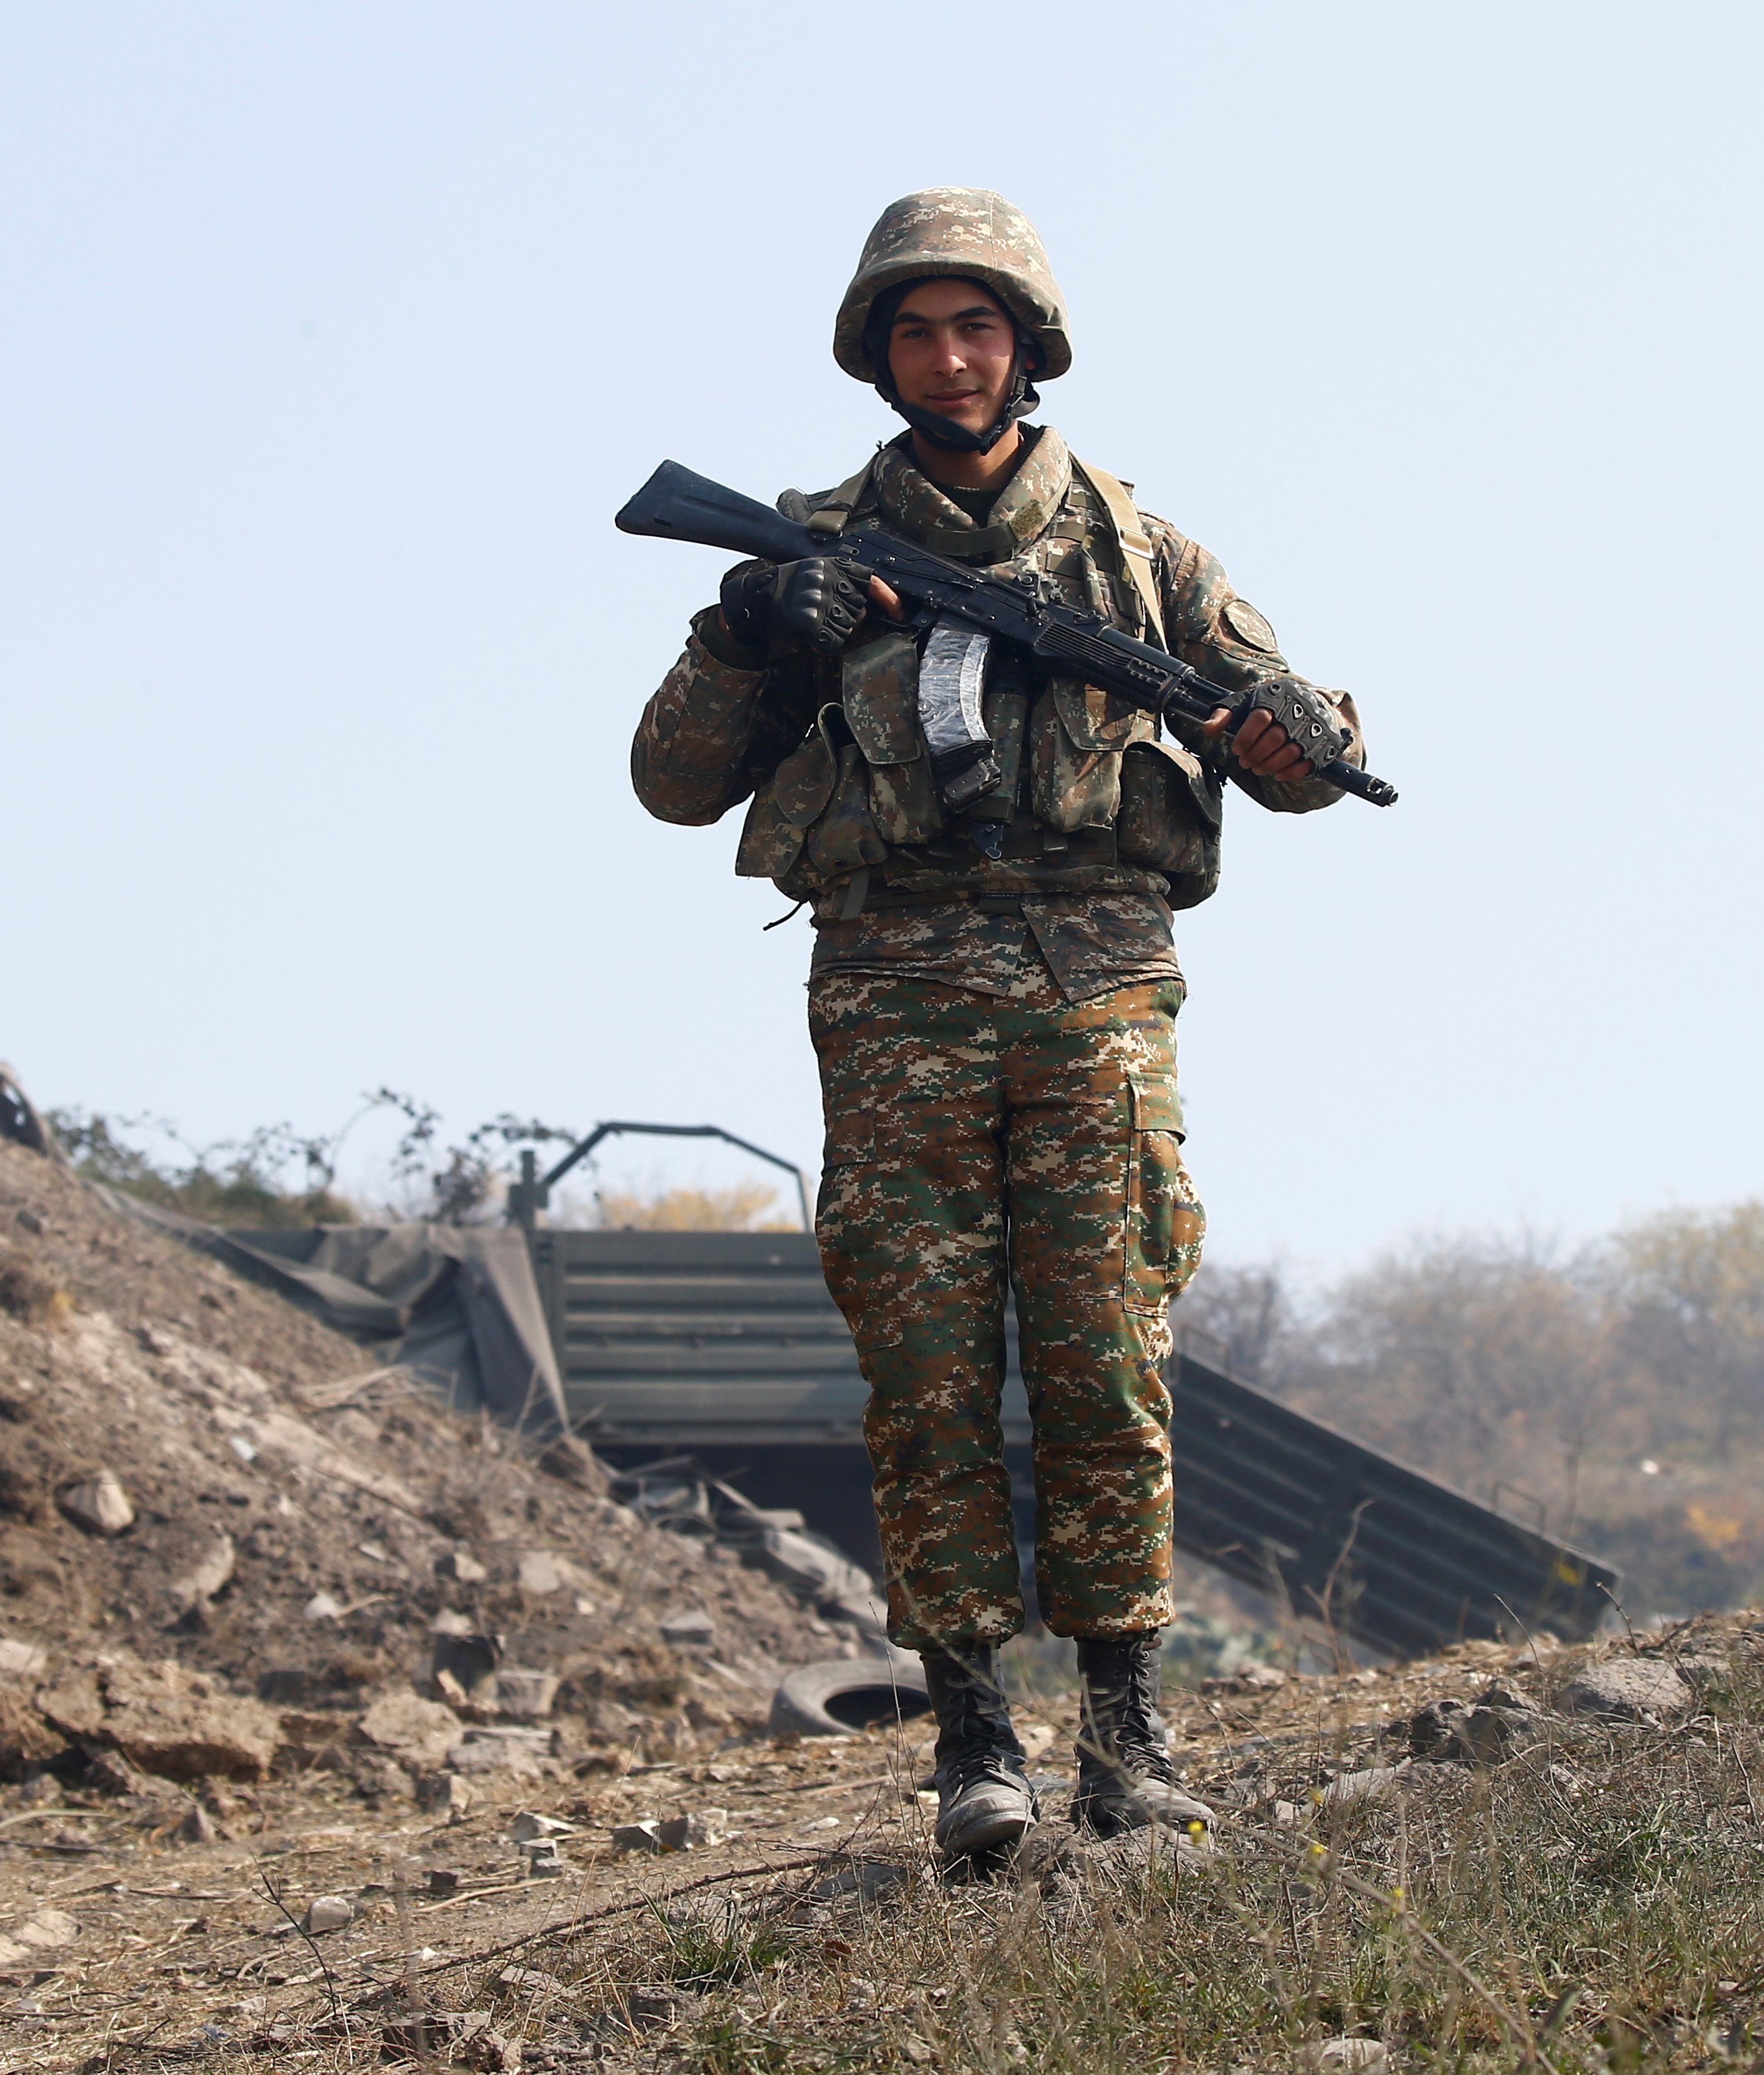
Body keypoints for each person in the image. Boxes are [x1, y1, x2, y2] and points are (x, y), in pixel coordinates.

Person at [628, 188, 1367, 1863]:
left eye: (978, 328)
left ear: (1028, 344)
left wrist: (1297, 736)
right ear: (875, 353)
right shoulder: (810, 540)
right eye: (916, 331)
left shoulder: (1141, 550)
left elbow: (1295, 751)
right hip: (893, 991)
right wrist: (752, 636)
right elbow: (672, 784)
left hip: (1098, 984)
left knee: (1108, 1347)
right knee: (928, 1362)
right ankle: (973, 1735)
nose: (951, 360)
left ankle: (1127, 1727)